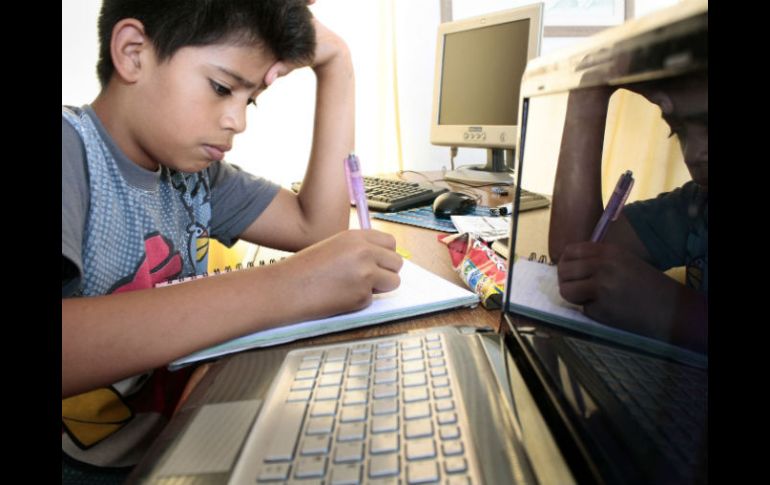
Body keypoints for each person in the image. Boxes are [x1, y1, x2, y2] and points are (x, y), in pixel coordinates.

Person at [61, 0, 402, 477]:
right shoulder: (71, 151)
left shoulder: (194, 178)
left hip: (176, 448)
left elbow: (318, 228)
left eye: (249, 100)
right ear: (133, 52)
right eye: (222, 88)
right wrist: (290, 286)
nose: (238, 121)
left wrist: (336, 64)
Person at [548, 70, 708, 354]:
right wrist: (589, 91)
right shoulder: (695, 205)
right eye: (679, 131)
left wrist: (673, 310)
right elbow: (577, 256)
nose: (691, 154)